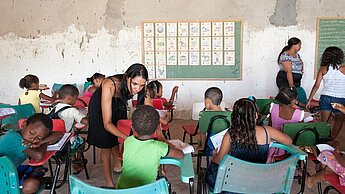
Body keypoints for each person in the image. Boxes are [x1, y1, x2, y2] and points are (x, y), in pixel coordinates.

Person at [206, 98, 292, 191]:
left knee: (212, 168)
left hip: (233, 185)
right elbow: (289, 141)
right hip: (258, 183)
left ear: (235, 116)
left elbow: (219, 160)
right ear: (256, 115)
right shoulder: (267, 131)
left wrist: (214, 156)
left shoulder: (231, 134)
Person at [87, 63, 148, 187]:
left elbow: (146, 109)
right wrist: (130, 139)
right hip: (100, 106)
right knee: (106, 143)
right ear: (127, 77)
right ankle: (110, 184)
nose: (137, 89)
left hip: (117, 103)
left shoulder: (141, 86)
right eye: (135, 84)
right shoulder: (110, 84)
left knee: (117, 134)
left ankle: (117, 165)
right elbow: (107, 124)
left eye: (142, 85)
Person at [116, 105, 183, 189]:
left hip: (122, 190)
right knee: (164, 181)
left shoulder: (128, 141)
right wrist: (160, 135)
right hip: (147, 190)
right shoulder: (158, 147)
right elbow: (180, 154)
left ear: (132, 127)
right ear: (157, 128)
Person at [0, 113, 62, 194]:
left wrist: (41, 141)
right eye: (32, 132)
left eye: (39, 137)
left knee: (35, 177)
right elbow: (38, 155)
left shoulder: (23, 137)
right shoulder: (15, 138)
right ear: (24, 124)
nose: (33, 139)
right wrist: (44, 143)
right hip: (3, 176)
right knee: (31, 185)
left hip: (9, 171)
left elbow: (59, 134)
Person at [48, 84, 88, 174]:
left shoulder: (54, 107)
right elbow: (85, 121)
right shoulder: (72, 111)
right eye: (76, 98)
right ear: (69, 98)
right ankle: (77, 162)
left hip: (54, 142)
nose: (76, 100)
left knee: (73, 136)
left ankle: (73, 159)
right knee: (82, 140)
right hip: (67, 144)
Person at [306, 46, 345, 139]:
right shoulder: (343, 69)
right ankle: (332, 139)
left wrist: (309, 100)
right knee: (339, 120)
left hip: (325, 97)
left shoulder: (323, 69)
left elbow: (316, 85)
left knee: (324, 122)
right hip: (340, 98)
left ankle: (323, 139)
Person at [267, 87, 304, 162]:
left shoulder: (273, 107)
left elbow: (269, 124)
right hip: (290, 148)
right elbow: (300, 131)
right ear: (293, 101)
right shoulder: (299, 113)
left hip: (273, 146)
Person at [197, 87, 223, 152]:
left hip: (211, 147)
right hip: (225, 147)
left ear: (208, 101)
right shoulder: (229, 114)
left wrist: (203, 147)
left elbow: (202, 133)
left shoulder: (204, 115)